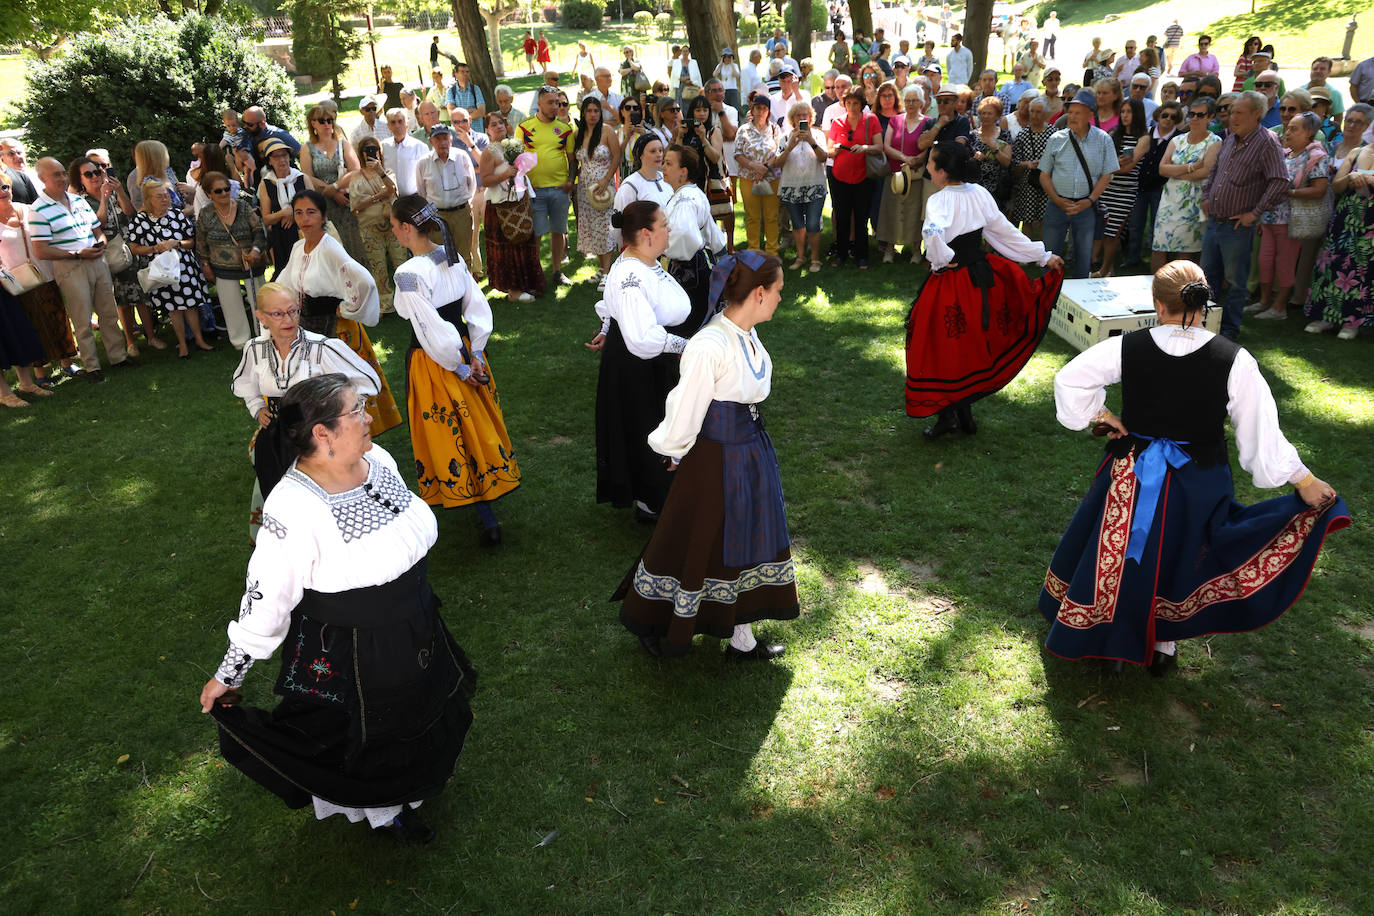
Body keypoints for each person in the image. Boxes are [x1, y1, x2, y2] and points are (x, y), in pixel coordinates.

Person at [200, 373, 477, 846]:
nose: (369, 417)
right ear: (322, 432)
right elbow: (267, 594)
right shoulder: (293, 506)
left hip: (415, 622)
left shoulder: (378, 459)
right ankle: (387, 811)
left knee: (422, 710)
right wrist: (230, 673)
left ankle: (417, 784)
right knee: (373, 737)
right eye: (357, 411)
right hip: (359, 648)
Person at [1039, 262, 1349, 674]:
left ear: (1156, 304)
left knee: (1123, 553)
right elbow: (1259, 434)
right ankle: (1163, 644)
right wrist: (1304, 480)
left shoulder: (1127, 346)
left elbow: (1070, 380)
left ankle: (1109, 641)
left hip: (1130, 473)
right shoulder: (1234, 359)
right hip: (1198, 480)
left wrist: (1101, 414)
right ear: (1206, 305)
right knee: (1182, 554)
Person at [616, 249, 798, 660]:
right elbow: (687, 407)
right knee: (693, 539)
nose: (781, 298)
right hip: (715, 460)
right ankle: (649, 618)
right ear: (758, 294)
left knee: (741, 542)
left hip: (749, 454)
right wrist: (672, 449)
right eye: (778, 291)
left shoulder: (745, 334)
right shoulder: (709, 344)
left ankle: (742, 637)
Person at [905, 141, 1064, 437]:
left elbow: (932, 233)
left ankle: (951, 415)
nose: (927, 168)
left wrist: (942, 260)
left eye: (931, 164)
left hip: (953, 281)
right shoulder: (979, 193)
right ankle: (961, 413)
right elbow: (1003, 231)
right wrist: (1043, 255)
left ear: (941, 172)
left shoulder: (938, 201)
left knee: (943, 344)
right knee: (971, 342)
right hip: (981, 279)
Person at [388, 195, 519, 545]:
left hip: (436, 362)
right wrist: (475, 350)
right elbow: (476, 307)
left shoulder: (408, 273)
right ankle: (487, 502)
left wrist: (460, 366)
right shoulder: (452, 256)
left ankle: (473, 502)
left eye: (393, 225)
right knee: (473, 422)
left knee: (449, 430)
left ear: (405, 228)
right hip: (462, 348)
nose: (393, 232)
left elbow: (429, 329)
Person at [231, 282, 380, 542]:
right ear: (261, 317)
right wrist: (257, 408)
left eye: (293, 311)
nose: (288, 319)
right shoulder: (254, 350)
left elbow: (369, 381)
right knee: (282, 500)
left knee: (323, 500)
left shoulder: (321, 347)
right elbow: (243, 384)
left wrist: (347, 414)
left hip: (318, 438)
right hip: (276, 439)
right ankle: (293, 550)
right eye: (277, 314)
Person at [589, 201, 694, 522]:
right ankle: (653, 500)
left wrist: (608, 327)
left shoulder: (640, 260)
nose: (669, 229)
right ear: (647, 233)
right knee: (649, 427)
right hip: (642, 363)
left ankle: (660, 495)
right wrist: (686, 345)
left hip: (650, 358)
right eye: (664, 224)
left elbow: (614, 305)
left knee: (657, 425)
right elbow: (643, 337)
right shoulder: (631, 273)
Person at [274, 189, 402, 437]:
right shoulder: (299, 247)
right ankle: (328, 433)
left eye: (311, 212)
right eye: (299, 213)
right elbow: (284, 283)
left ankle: (353, 434)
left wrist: (342, 307)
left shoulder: (329, 247)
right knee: (317, 384)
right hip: (309, 325)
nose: (304, 219)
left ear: (323, 216)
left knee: (343, 385)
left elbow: (364, 282)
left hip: (337, 329)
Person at [26, 157, 132, 382]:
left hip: (97, 261)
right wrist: (75, 254)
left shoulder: (78, 200)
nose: (62, 178)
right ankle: (92, 366)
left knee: (109, 313)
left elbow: (97, 230)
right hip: (71, 267)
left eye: (63, 173)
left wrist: (101, 242)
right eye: (56, 174)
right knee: (82, 318)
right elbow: (41, 250)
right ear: (42, 178)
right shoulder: (38, 210)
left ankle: (119, 357)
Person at [1200, 91, 1289, 340]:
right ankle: (1207, 326)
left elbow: (1280, 182)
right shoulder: (1230, 139)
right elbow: (1215, 172)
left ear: (1256, 114)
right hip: (1215, 222)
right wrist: (1207, 196)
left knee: (1236, 282)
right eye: (1232, 111)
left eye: (1239, 112)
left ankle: (1228, 330)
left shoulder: (1268, 142)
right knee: (1207, 279)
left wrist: (1255, 214)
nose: (1232, 117)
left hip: (1237, 227)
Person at [74, 151, 162, 356]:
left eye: (100, 169)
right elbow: (100, 223)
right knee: (122, 301)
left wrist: (119, 191)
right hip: (108, 255)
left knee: (141, 294)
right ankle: (130, 341)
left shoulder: (113, 191)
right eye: (90, 174)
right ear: (81, 180)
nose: (97, 175)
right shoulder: (82, 201)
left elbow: (130, 212)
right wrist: (104, 200)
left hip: (130, 250)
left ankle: (151, 337)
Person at [1249, 112, 1329, 321]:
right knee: (1265, 261)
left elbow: (1319, 190)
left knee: (1284, 263)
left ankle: (1279, 307)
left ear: (1309, 133)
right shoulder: (1284, 154)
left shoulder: (1315, 157)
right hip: (1269, 218)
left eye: (1294, 129)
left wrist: (1290, 193)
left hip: (1291, 222)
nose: (1288, 132)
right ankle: (1265, 301)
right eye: (1289, 127)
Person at [125, 177, 211, 359]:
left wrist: (177, 243)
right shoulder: (141, 220)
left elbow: (191, 242)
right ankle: (182, 345)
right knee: (174, 308)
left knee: (191, 305)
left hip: (184, 267)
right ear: (148, 199)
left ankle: (199, 339)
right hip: (161, 270)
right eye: (159, 196)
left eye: (166, 195)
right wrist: (154, 248)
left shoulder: (177, 215)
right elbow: (134, 248)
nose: (165, 199)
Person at [1039, 89, 1117, 278]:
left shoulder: (1103, 140)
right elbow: (1044, 175)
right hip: (1057, 205)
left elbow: (1107, 175)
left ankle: (1079, 298)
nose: (1072, 116)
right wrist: (1057, 200)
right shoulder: (1056, 139)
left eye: (1077, 112)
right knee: (1049, 256)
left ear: (1090, 114)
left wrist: (1089, 201)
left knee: (1084, 259)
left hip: (1085, 206)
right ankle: (1046, 297)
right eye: (1070, 112)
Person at [1303, 143, 1374, 339]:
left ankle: (1352, 322)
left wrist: (1370, 179)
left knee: (1362, 272)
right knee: (1332, 266)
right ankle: (1324, 317)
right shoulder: (1356, 151)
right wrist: (1350, 177)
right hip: (1345, 220)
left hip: (1370, 226)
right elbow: (1335, 186)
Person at [195, 170, 267, 350]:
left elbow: (259, 231)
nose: (224, 193)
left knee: (260, 301)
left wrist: (256, 249)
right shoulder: (206, 213)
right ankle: (240, 342)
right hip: (222, 267)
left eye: (226, 189)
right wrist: (205, 265)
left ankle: (265, 336)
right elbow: (201, 241)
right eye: (218, 191)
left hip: (251, 263)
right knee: (231, 305)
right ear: (209, 194)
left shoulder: (243, 207)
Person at [478, 113, 543, 303]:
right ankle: (514, 291)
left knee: (524, 243)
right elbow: (486, 180)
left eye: (500, 123)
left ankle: (527, 284)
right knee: (508, 250)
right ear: (487, 130)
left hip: (519, 203)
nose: (498, 126)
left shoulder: (513, 145)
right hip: (500, 207)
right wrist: (505, 174)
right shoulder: (489, 151)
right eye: (493, 124)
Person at [662, 144, 724, 336]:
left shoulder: (685, 200)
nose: (663, 167)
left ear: (683, 171)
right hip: (697, 269)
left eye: (668, 163)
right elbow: (714, 235)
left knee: (684, 327)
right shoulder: (691, 193)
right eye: (664, 162)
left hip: (688, 273)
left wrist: (659, 252)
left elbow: (683, 236)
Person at [1151, 99, 1220, 270]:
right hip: (1169, 202)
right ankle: (1155, 286)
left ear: (1210, 117)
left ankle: (1182, 291)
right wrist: (1191, 167)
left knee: (1185, 252)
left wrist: (1176, 172)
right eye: (1191, 114)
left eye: (1200, 115)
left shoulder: (1215, 142)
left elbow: (1206, 172)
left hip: (1193, 203)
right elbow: (1162, 169)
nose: (1194, 118)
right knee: (1159, 246)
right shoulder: (1177, 140)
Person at [519, 85, 575, 288]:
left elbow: (572, 159)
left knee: (559, 230)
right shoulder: (524, 127)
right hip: (535, 189)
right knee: (537, 232)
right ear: (540, 103)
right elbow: (517, 158)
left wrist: (570, 180)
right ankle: (535, 272)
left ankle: (557, 271)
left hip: (559, 189)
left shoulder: (565, 129)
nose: (555, 107)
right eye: (551, 102)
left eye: (558, 103)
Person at [300, 104, 367, 267]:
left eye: (330, 120)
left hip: (345, 201)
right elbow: (307, 176)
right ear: (313, 123)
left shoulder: (342, 143)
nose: (327, 124)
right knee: (332, 247)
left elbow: (356, 170)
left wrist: (335, 187)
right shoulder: (307, 148)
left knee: (353, 244)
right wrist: (329, 192)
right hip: (323, 205)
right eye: (322, 121)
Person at [348, 136, 405, 313]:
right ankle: (386, 305)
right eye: (367, 150)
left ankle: (408, 301)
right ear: (361, 154)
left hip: (393, 226)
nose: (371, 153)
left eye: (374, 149)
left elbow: (393, 189)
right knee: (378, 267)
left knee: (401, 264)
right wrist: (380, 196)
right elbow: (356, 205)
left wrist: (381, 173)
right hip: (369, 227)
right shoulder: (355, 177)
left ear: (380, 152)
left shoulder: (387, 171)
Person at [1094, 99, 1150, 278]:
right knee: (1102, 231)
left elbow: (1128, 168)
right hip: (1107, 188)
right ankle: (1105, 268)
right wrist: (1116, 162)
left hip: (1125, 192)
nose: (1125, 115)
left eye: (1129, 112)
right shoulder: (1113, 134)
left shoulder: (1144, 138)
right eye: (1123, 111)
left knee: (1113, 233)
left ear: (1138, 114)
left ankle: (1106, 270)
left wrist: (1111, 163)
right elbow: (1097, 161)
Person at [828, 89, 882, 269]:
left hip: (863, 177)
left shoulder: (871, 120)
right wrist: (835, 149)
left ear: (862, 104)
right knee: (842, 217)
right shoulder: (837, 122)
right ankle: (841, 254)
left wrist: (865, 147)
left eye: (856, 103)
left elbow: (879, 147)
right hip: (840, 177)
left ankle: (862, 256)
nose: (851, 107)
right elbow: (829, 150)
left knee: (861, 218)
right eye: (848, 103)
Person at [571, 97, 620, 287]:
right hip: (584, 188)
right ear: (583, 113)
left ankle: (608, 271)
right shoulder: (578, 134)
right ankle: (601, 267)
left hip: (604, 187)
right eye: (589, 111)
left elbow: (616, 156)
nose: (593, 115)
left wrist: (607, 179)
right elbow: (576, 162)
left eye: (596, 111)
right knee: (592, 228)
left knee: (604, 227)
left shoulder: (607, 131)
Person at [780, 102, 830, 271]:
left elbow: (824, 157)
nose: (802, 118)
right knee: (797, 224)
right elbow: (777, 163)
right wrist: (789, 147)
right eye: (798, 115)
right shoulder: (785, 137)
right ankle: (800, 257)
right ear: (792, 119)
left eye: (805, 115)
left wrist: (812, 141)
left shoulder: (818, 134)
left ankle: (815, 259)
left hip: (814, 185)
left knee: (813, 224)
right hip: (791, 186)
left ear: (810, 118)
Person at [734, 97, 784, 256]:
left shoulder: (775, 129)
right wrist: (753, 166)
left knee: (771, 216)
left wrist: (765, 167)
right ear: (752, 110)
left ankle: (772, 252)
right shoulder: (743, 130)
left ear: (768, 111)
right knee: (752, 216)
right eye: (758, 108)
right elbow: (738, 154)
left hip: (771, 177)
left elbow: (778, 152)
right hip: (749, 178)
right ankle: (753, 250)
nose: (761, 111)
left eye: (764, 108)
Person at [256, 140, 312, 275]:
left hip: (306, 235)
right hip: (281, 239)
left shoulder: (302, 178)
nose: (282, 160)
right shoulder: (266, 184)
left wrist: (294, 213)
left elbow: (316, 209)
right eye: (276, 156)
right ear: (269, 161)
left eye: (284, 155)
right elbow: (266, 219)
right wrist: (283, 213)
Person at [1008, 95, 1055, 237]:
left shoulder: (1053, 134)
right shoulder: (1023, 135)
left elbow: (1059, 160)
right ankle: (1027, 255)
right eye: (1032, 111)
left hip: (1047, 183)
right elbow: (1014, 161)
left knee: (1044, 218)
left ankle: (1043, 253)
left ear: (1045, 113)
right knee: (1026, 220)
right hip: (1027, 184)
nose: (1034, 115)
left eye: (1038, 112)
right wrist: (1027, 164)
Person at [969, 96, 1013, 199]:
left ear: (997, 116)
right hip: (974, 188)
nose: (986, 116)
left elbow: (1007, 162)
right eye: (983, 113)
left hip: (996, 189)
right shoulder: (972, 135)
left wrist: (994, 149)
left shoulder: (1004, 135)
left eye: (990, 113)